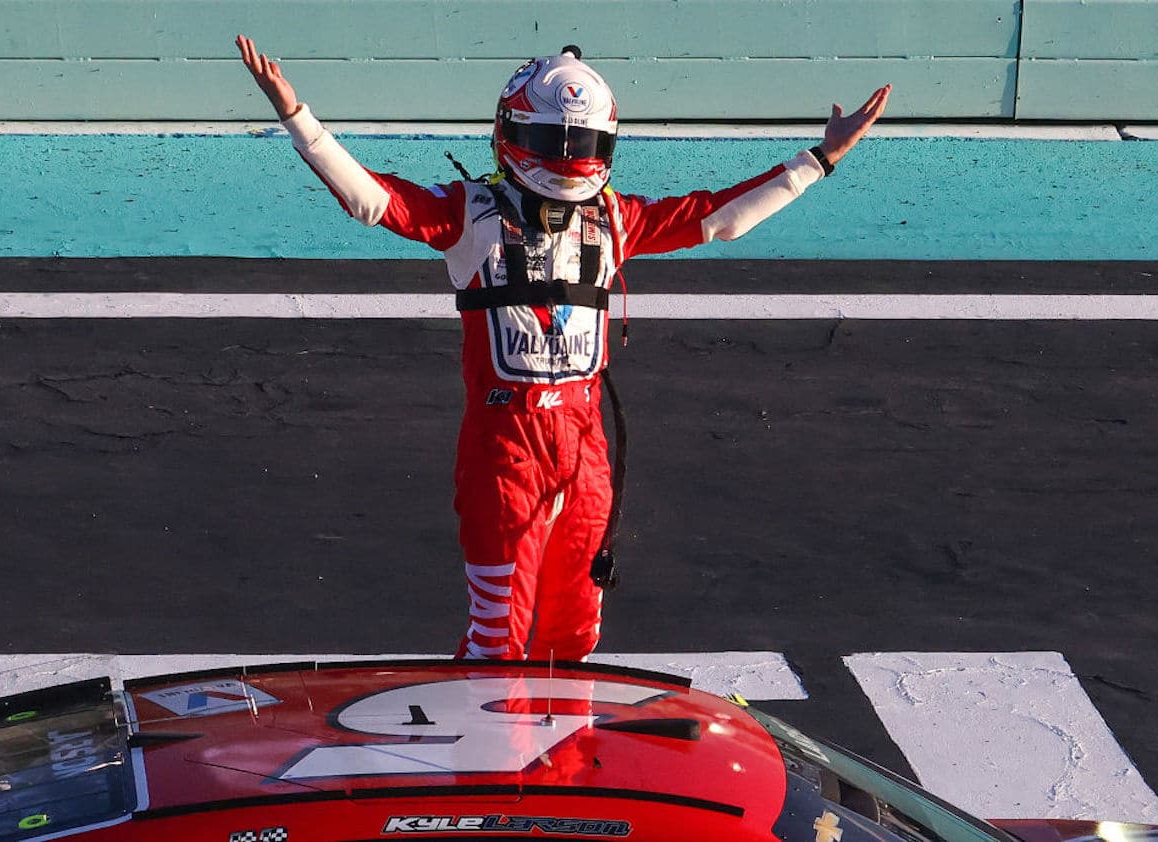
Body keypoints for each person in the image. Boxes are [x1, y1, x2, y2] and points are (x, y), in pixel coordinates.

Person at [236, 34, 890, 662]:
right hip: (503, 459)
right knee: (497, 643)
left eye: (581, 141)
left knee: (573, 639)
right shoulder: (472, 215)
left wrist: (819, 158)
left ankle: (557, 762)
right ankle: (481, 767)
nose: (568, 154)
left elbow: (721, 218)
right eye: (555, 140)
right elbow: (372, 199)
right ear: (514, 133)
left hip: (586, 457)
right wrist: (299, 118)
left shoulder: (613, 218)